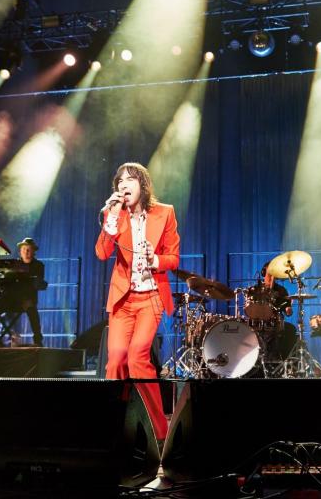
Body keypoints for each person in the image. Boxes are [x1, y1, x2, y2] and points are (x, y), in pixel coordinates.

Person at [95, 162, 179, 439]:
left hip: (151, 297)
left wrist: (155, 259)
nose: (123, 185)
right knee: (115, 359)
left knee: (138, 357)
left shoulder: (164, 213)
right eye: (119, 181)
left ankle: (159, 431)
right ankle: (112, 425)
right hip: (123, 300)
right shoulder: (113, 214)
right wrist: (110, 219)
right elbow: (102, 253)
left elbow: (174, 258)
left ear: (142, 185)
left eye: (129, 180)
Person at [0, 237, 48, 347]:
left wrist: (23, 278)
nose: (26, 252)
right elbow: (5, 280)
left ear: (33, 252)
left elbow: (37, 282)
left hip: (26, 299)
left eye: (29, 249)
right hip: (11, 299)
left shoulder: (38, 266)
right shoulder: (13, 264)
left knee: (31, 309)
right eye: (24, 249)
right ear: (20, 251)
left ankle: (38, 339)